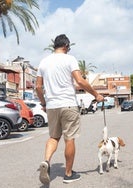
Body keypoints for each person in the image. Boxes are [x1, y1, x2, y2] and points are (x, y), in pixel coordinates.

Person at [36, 34, 104, 184]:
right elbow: (80, 80)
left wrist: (44, 103)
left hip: (52, 106)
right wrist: (96, 94)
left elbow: (38, 87)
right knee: (69, 139)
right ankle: (68, 174)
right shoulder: (70, 59)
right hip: (68, 104)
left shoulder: (43, 62)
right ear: (66, 45)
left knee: (54, 137)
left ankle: (46, 162)